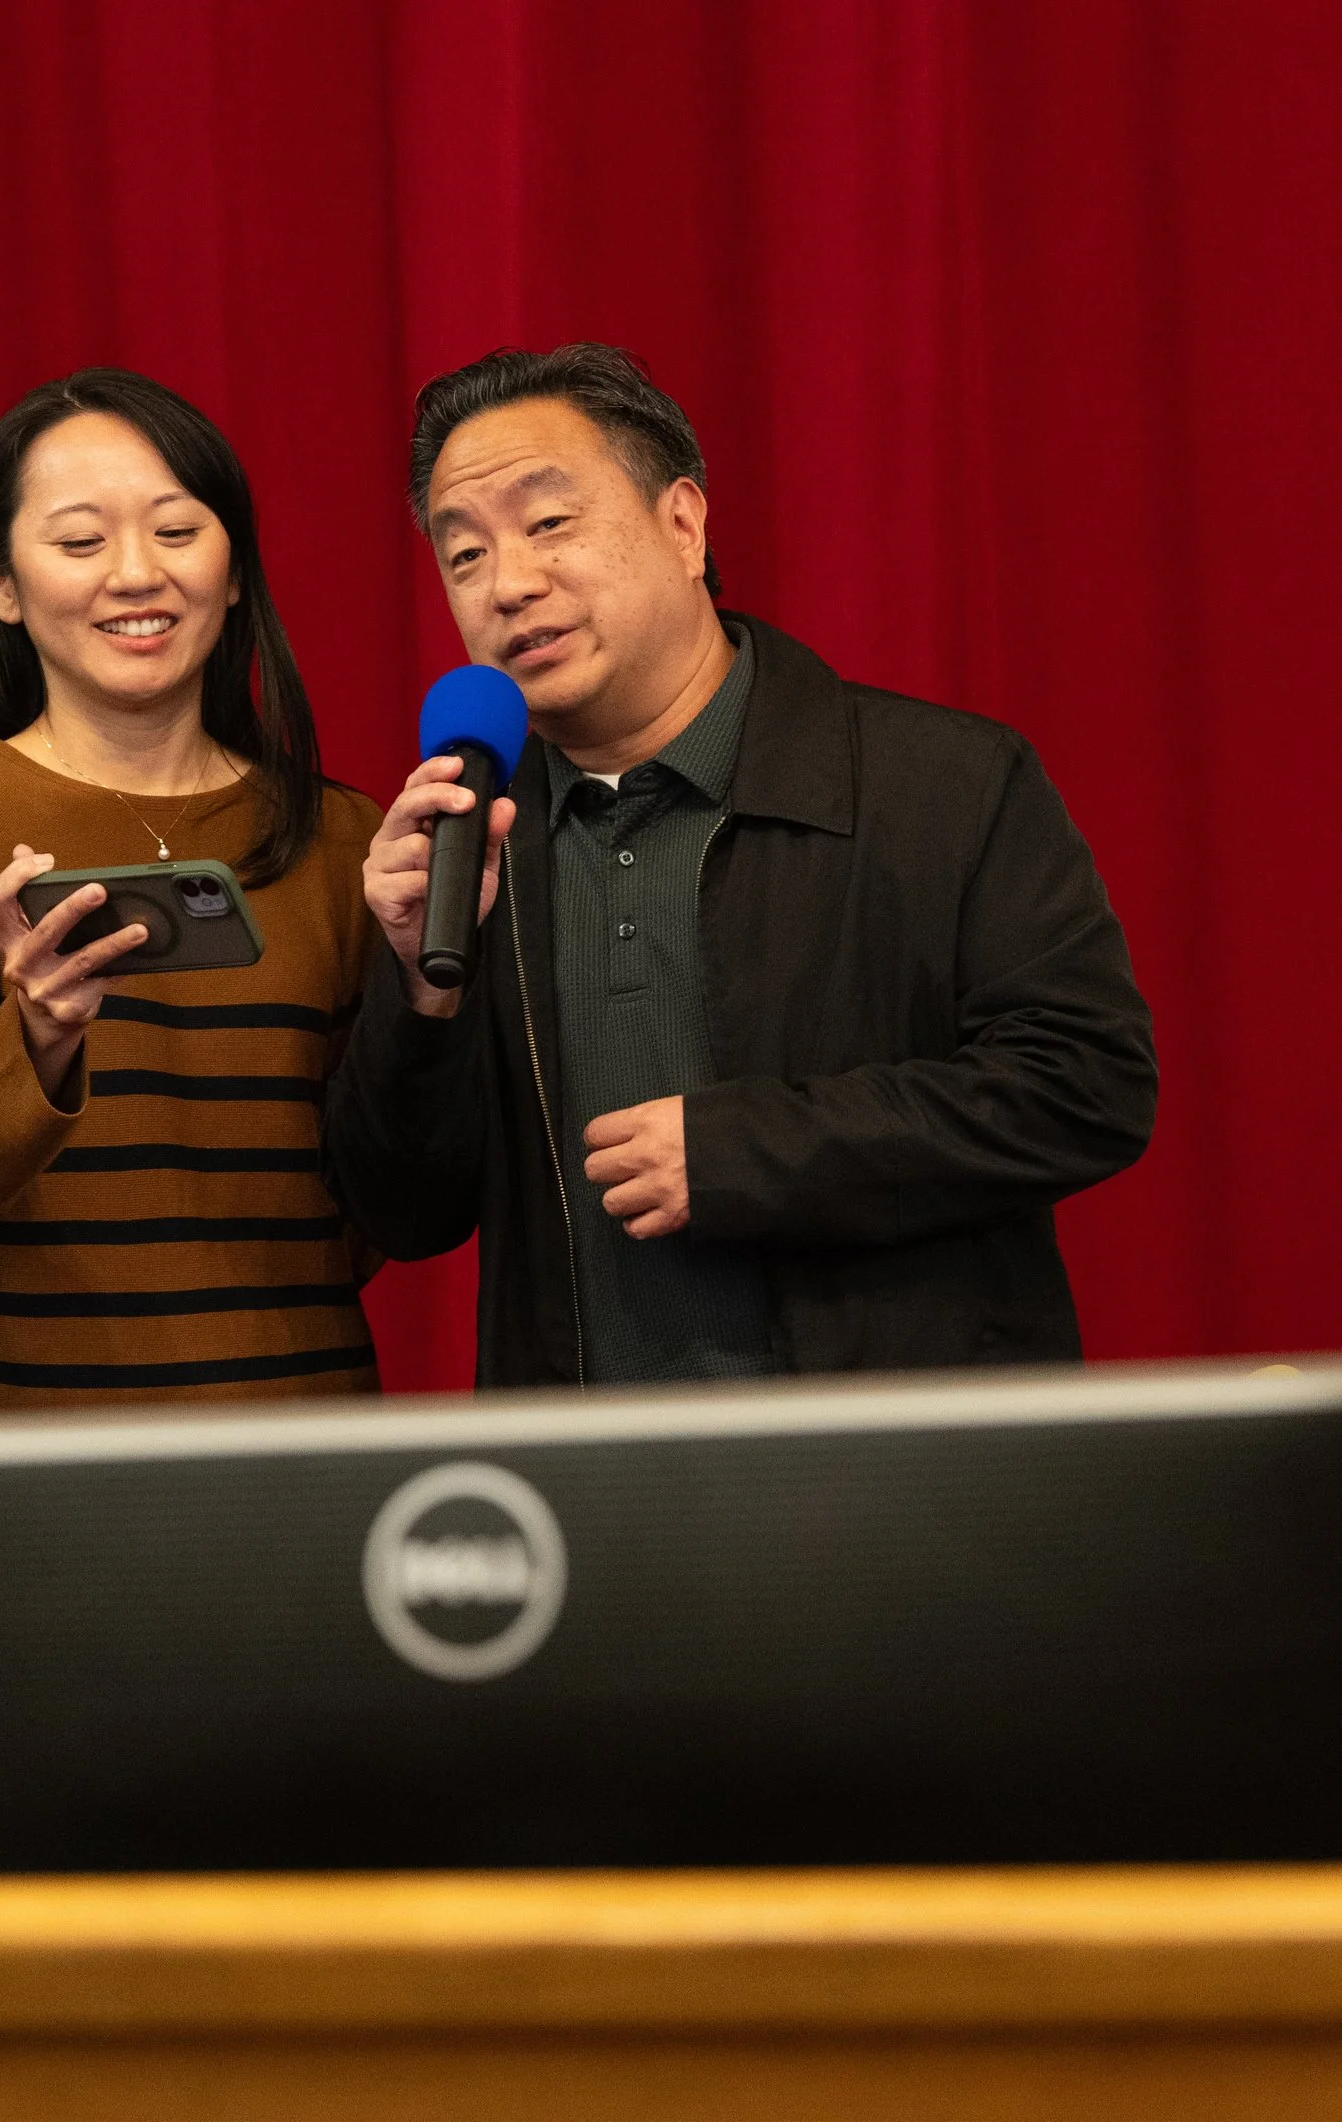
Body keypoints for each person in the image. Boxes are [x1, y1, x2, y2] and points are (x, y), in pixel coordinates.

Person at [324, 343, 1155, 1384]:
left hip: (891, 1462)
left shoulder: (941, 783)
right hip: (587, 1472)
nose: (510, 584)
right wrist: (418, 990)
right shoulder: (470, 842)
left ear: (683, 524)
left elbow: (1086, 1086)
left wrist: (740, 1154)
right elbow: (403, 1211)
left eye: (549, 523)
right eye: (464, 555)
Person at [0, 369, 386, 1405]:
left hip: (296, 1434)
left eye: (177, 532)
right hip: (32, 1450)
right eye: (80, 542)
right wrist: (38, 1037)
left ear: (235, 568)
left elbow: (381, 1199)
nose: (136, 574)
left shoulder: (343, 838)